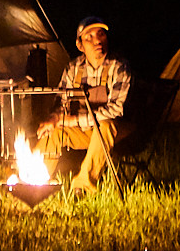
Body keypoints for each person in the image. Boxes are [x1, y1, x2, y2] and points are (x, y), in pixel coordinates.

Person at [52, 20, 129, 194]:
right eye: (90, 37)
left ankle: (83, 185)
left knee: (106, 125)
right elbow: (61, 102)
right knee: (53, 130)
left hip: (116, 131)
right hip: (85, 130)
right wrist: (55, 118)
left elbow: (116, 109)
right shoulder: (73, 68)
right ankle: (32, 183)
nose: (97, 41)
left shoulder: (118, 67)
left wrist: (74, 120)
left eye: (101, 34)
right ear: (80, 45)